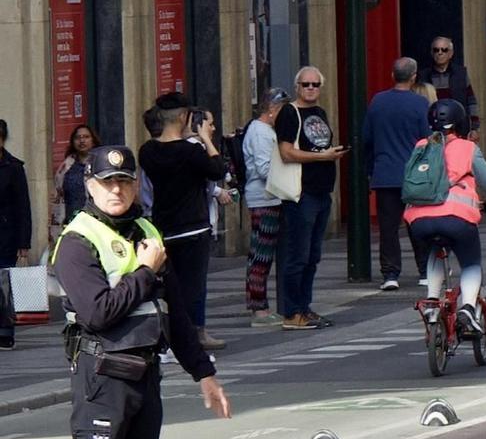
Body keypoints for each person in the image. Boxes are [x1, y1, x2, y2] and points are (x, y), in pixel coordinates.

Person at [52, 145, 230, 439]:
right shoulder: (77, 241)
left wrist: (203, 371)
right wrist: (145, 270)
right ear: (88, 185)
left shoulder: (147, 231)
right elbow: (99, 313)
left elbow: (176, 312)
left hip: (144, 374)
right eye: (107, 182)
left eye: (125, 182)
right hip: (102, 378)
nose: (116, 190)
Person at [405, 99, 486, 338]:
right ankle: (469, 309)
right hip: (457, 219)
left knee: (434, 251)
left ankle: (432, 302)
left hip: (418, 221)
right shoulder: (467, 147)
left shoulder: (421, 146)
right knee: (471, 262)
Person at [139, 94, 231, 353]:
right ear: (183, 117)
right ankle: (188, 344)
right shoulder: (191, 151)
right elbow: (217, 170)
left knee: (169, 290)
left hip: (164, 229)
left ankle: (167, 341)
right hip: (193, 228)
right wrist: (206, 139)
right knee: (192, 290)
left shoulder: (147, 151)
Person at [275, 66, 348, 331]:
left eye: (315, 84)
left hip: (321, 191)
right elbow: (286, 152)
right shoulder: (289, 113)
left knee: (313, 254)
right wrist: (322, 157)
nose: (310, 89)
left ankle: (304, 307)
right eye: (306, 84)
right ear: (297, 86)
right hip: (300, 193)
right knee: (298, 254)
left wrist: (330, 154)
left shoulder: (318, 112)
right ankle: (292, 312)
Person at [359, 58, 431, 291]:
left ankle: (390, 273)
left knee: (388, 228)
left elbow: (367, 139)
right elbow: (427, 141)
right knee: (418, 224)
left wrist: (370, 169)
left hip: (385, 173)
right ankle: (425, 271)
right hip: (414, 175)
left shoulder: (377, 102)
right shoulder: (420, 104)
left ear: (392, 75)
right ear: (413, 77)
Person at [241, 90, 286, 324]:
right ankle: (259, 307)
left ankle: (260, 304)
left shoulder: (265, 131)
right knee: (261, 254)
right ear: (272, 109)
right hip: (264, 198)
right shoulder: (260, 132)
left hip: (269, 197)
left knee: (263, 254)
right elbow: (263, 168)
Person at [0, 119, 32, 350]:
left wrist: (24, 241)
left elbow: (23, 206)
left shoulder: (13, 167)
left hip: (6, 235)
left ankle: (5, 330)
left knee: (3, 285)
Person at [420, 37, 480, 136]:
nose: (440, 53)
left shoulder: (461, 74)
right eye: (436, 50)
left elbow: (471, 101)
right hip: (433, 129)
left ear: (450, 54)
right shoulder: (423, 76)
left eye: (444, 50)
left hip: (459, 128)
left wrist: (474, 127)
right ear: (432, 53)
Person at [51, 123, 97, 234]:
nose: (82, 141)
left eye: (86, 137)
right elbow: (57, 195)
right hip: (70, 223)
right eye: (78, 138)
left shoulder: (99, 164)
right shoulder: (65, 167)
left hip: (95, 221)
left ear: (93, 140)